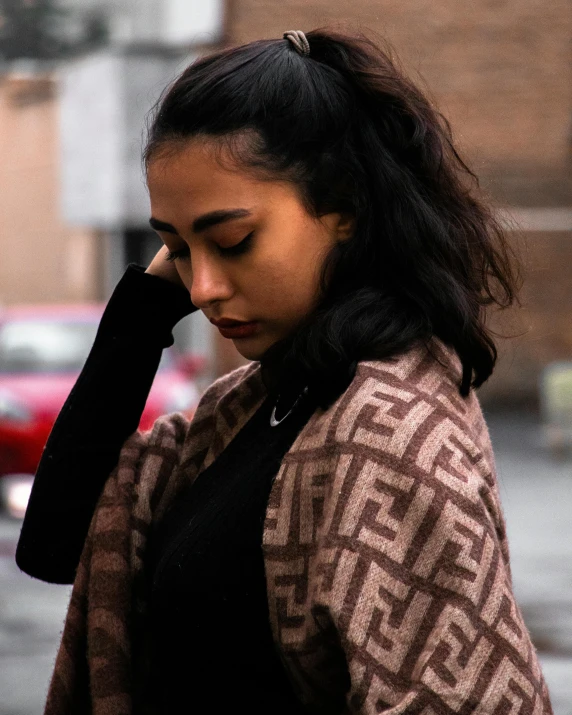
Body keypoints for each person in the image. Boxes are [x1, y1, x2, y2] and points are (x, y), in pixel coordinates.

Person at [16, 28, 552, 715]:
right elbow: (58, 542)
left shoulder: (390, 433)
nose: (203, 286)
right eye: (177, 247)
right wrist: (143, 312)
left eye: (233, 240)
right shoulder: (250, 407)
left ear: (346, 212)